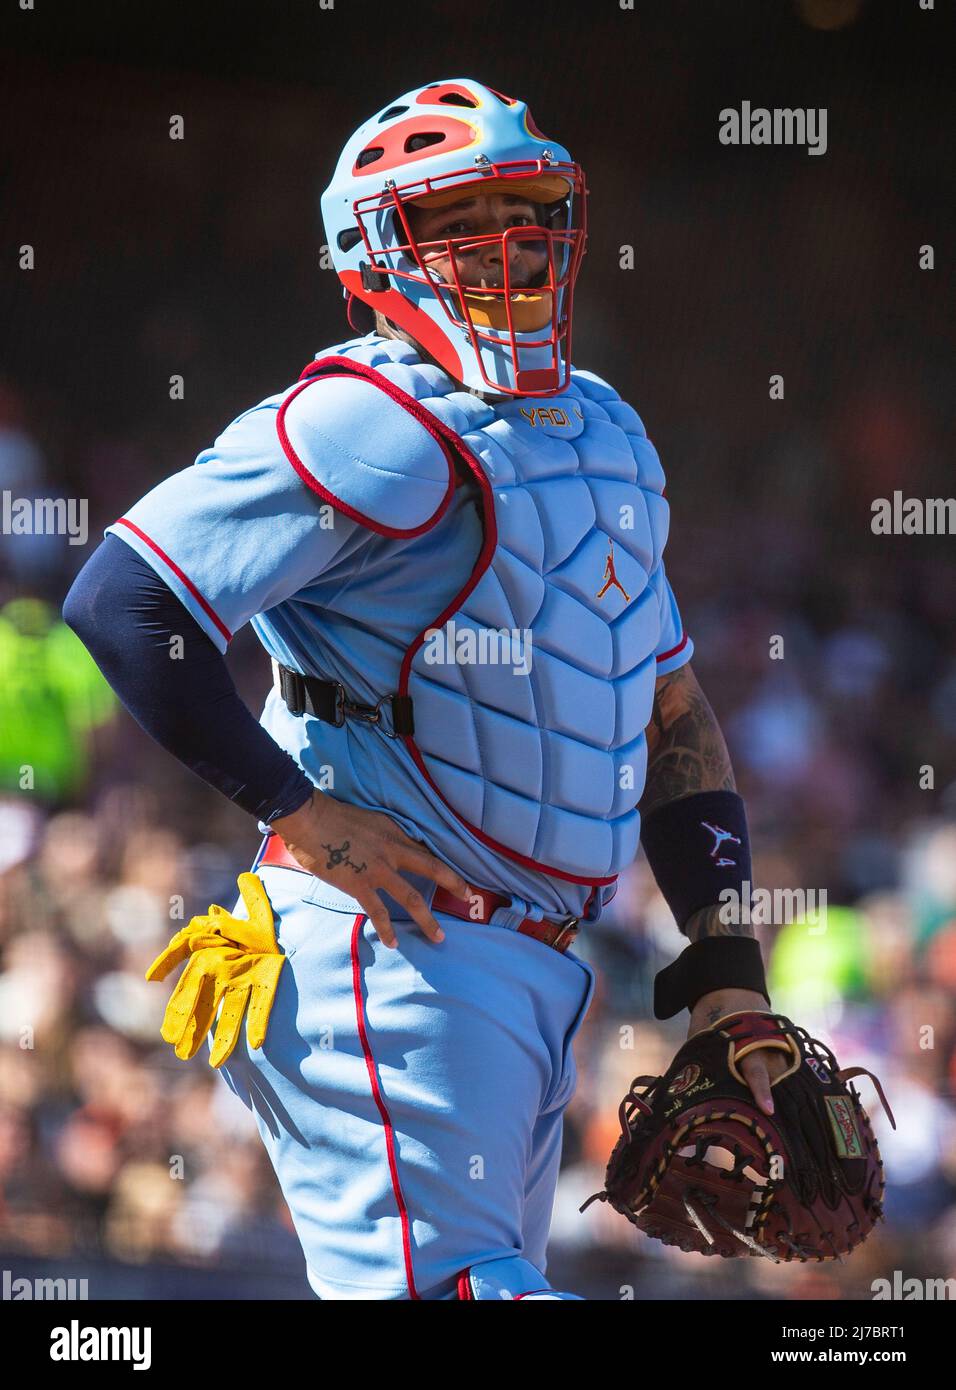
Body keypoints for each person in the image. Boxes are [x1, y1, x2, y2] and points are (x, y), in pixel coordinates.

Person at [64, 77, 783, 1300]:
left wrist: (723, 964)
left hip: (530, 972)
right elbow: (122, 601)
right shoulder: (365, 417)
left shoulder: (598, 433)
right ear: (374, 250)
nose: (511, 241)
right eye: (466, 218)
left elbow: (667, 710)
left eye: (532, 208)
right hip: (387, 952)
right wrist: (295, 808)